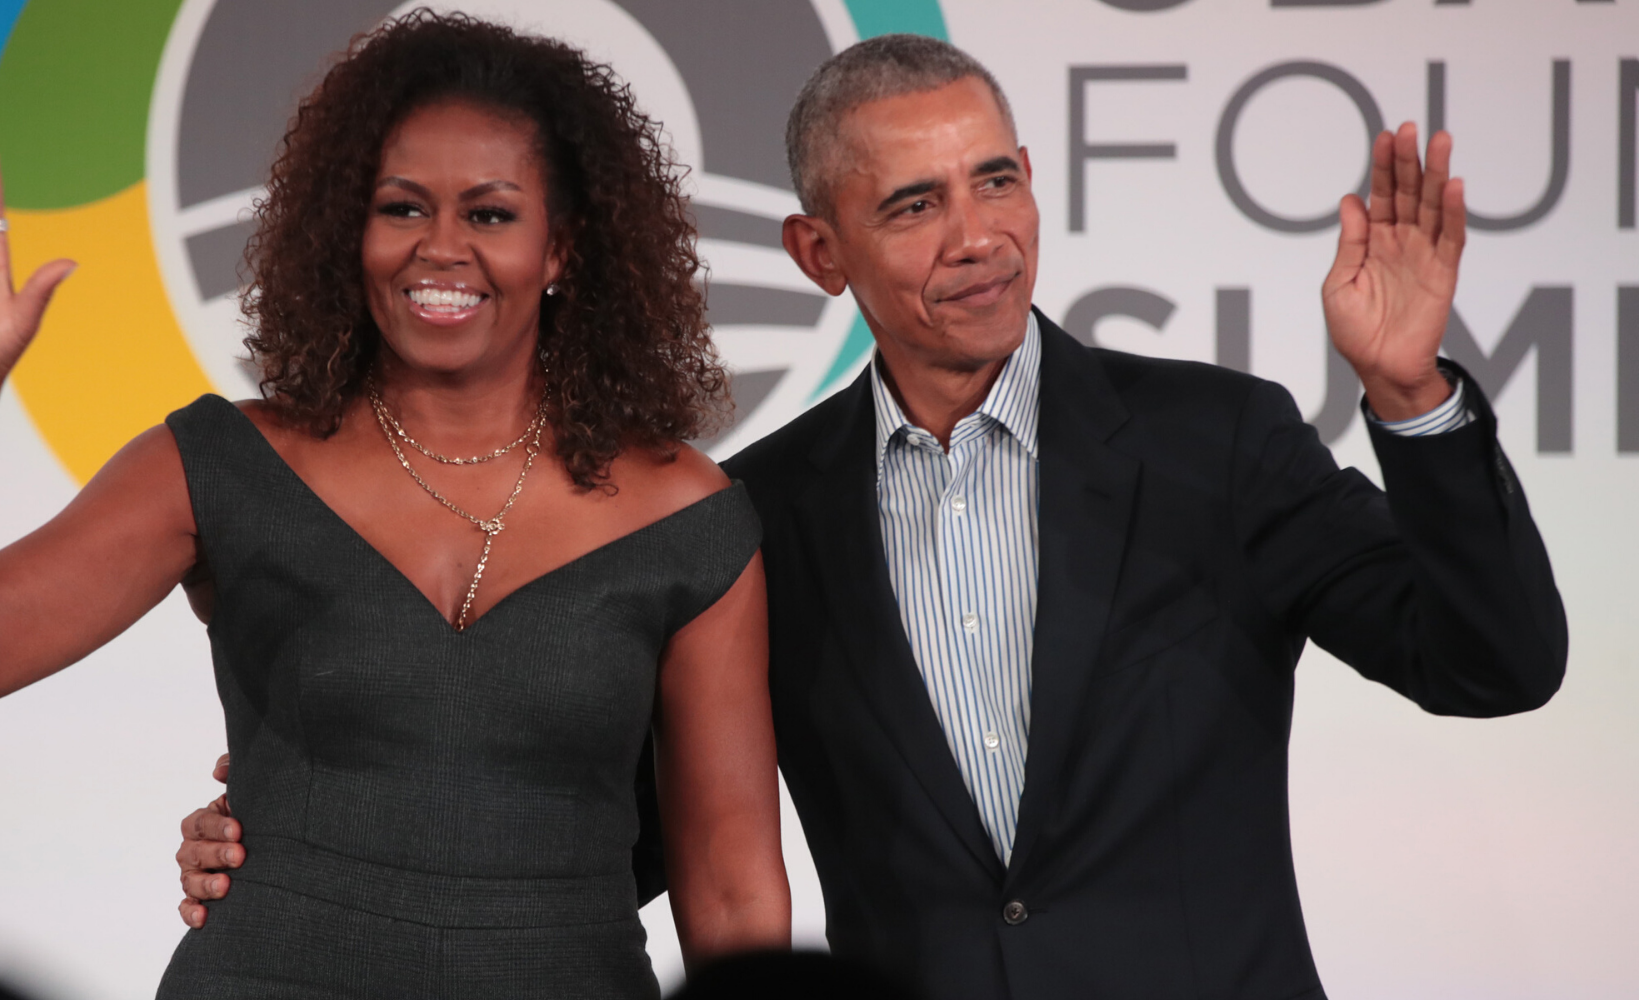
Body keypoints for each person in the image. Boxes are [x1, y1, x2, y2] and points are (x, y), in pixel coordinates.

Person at [178, 33, 1566, 1000]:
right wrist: (309, 827)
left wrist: (1414, 400)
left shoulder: (1219, 443)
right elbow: (615, 838)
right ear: (818, 252)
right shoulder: (753, 517)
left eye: (997, 180)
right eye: (914, 204)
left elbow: (1493, 665)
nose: (977, 236)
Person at [0, 13, 790, 999]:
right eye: (399, 208)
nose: (439, 248)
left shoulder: (682, 515)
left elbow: (732, 889)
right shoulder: (224, 462)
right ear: (346, 230)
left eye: (488, 214)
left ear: (560, 248)